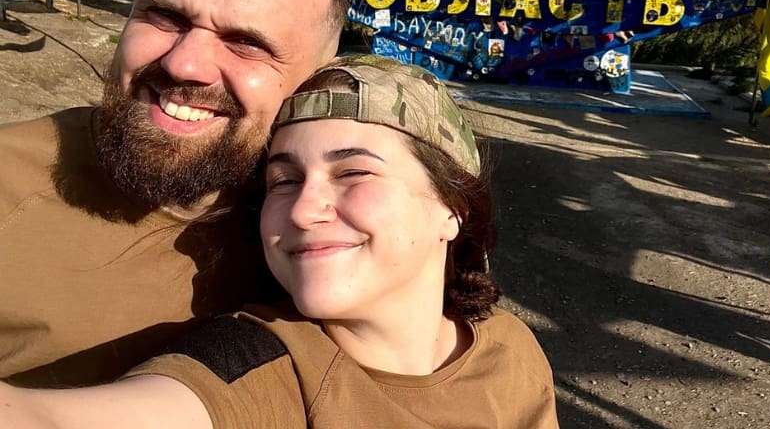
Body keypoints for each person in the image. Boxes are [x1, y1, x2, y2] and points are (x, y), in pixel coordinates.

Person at [0, 55, 560, 428]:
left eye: (354, 172)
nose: (302, 208)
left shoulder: (508, 348)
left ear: (452, 208)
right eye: (284, 180)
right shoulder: (261, 370)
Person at [0, 0, 350, 387]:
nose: (185, 64)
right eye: (164, 16)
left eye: (246, 42)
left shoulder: (355, 218)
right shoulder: (10, 186)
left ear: (318, 77)